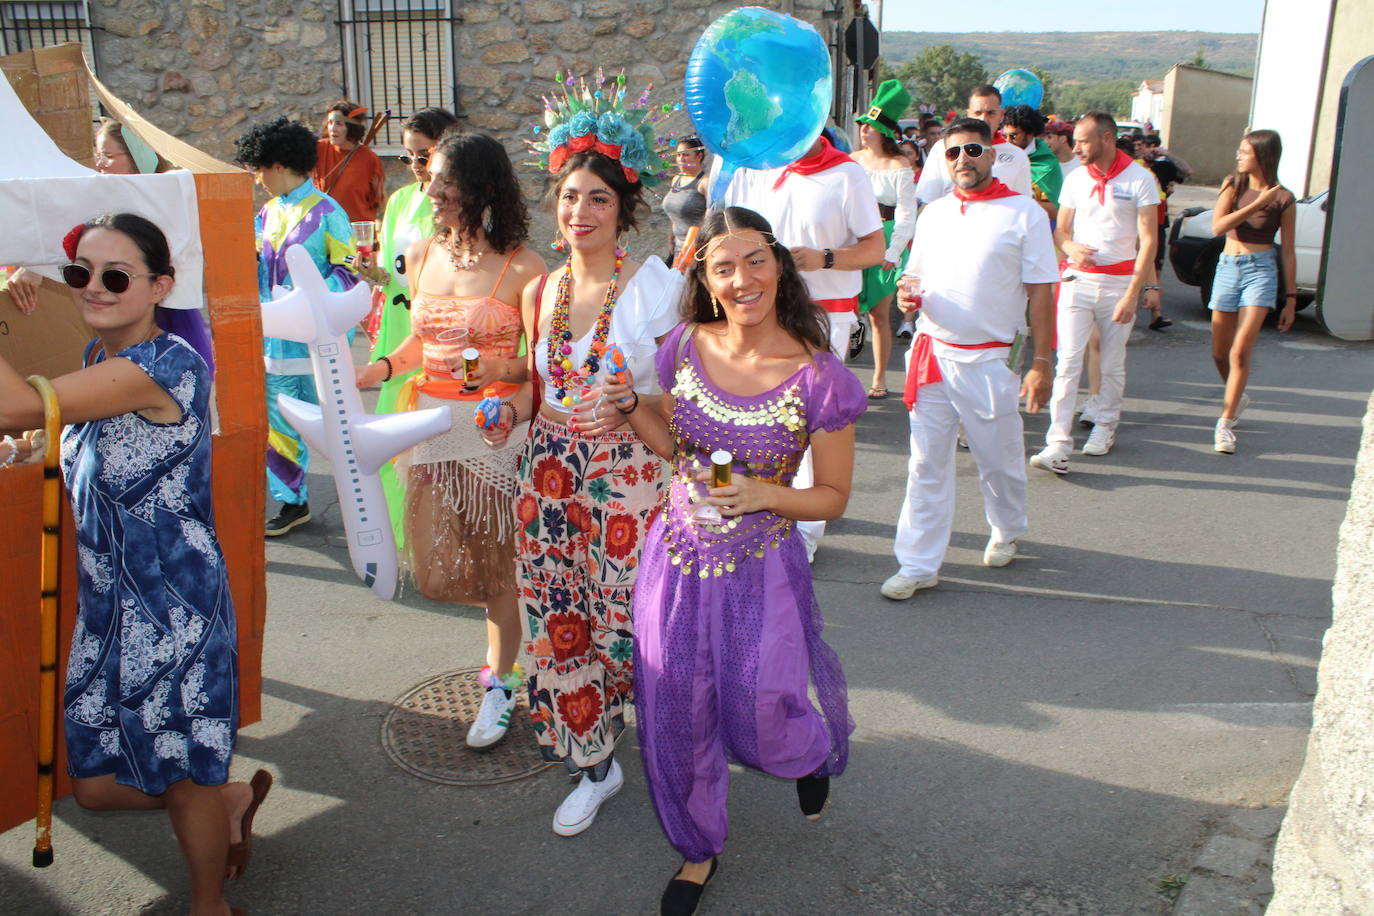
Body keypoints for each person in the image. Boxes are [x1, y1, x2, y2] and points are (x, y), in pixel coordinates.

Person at [0, 213, 271, 915]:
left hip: (175, 612)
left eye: (115, 275)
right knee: (93, 785)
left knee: (179, 777)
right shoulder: (97, 359)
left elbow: (18, 407)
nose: (93, 286)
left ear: (161, 285)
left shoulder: (167, 365)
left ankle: (209, 902)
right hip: (110, 612)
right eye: (79, 273)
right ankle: (228, 800)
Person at [601, 207, 862, 916]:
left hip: (762, 569)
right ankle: (697, 847)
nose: (742, 278)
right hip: (676, 560)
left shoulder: (819, 377)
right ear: (706, 279)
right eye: (723, 266)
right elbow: (673, 447)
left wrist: (766, 493)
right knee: (676, 707)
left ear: (778, 264)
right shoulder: (684, 347)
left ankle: (802, 752)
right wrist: (630, 405)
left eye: (754, 260)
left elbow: (834, 498)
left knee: (756, 710)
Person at [483, 88, 682, 836]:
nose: (580, 212)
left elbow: (678, 413)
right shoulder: (541, 291)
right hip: (548, 475)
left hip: (629, 481)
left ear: (623, 207)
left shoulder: (658, 289)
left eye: (598, 198)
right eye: (569, 197)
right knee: (558, 617)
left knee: (628, 625)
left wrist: (633, 405)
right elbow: (537, 392)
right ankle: (595, 761)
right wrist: (509, 412)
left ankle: (667, 743)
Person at [356, 132, 545, 747]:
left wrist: (502, 372)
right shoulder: (421, 251)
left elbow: (540, 366)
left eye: (443, 181)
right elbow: (419, 342)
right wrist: (380, 369)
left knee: (498, 571)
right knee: (436, 572)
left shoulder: (524, 267)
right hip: (431, 428)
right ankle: (526, 627)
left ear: (481, 189)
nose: (429, 190)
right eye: (429, 177)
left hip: (494, 436)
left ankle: (501, 680)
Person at [880, 119, 1058, 600]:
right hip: (933, 354)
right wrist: (905, 303)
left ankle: (1006, 527)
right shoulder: (934, 213)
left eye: (973, 150)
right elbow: (912, 279)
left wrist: (1042, 362)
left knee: (997, 462)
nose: (962, 160)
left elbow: (1042, 296)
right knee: (925, 465)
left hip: (990, 360)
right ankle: (917, 562)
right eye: (952, 152)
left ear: (993, 154)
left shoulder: (1025, 215)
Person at [717, 124, 884, 563]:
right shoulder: (755, 168)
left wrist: (824, 258)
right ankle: (756, 511)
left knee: (810, 420)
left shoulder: (847, 174)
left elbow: (874, 248)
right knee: (761, 414)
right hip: (760, 310)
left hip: (824, 311)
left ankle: (803, 536)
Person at [234, 116, 361, 536]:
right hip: (275, 345)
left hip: (318, 343)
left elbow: (348, 272)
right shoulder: (266, 214)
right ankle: (292, 502)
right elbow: (254, 270)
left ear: (276, 164)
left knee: (335, 426)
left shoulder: (329, 213)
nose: (257, 179)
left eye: (258, 169)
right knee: (281, 426)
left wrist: (307, 301)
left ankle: (362, 498)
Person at [1030, 111, 1160, 474]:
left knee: (1111, 359)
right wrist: (1069, 247)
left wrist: (1135, 292)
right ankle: (1057, 441)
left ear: (1106, 138)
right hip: (1078, 280)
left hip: (1119, 283)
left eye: (1084, 141)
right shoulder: (1074, 178)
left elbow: (1149, 240)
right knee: (1068, 360)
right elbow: (1061, 229)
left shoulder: (1140, 179)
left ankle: (1106, 423)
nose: (1077, 148)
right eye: (1075, 141)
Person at [363, 107, 459, 536]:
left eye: (424, 156)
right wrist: (371, 273)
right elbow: (391, 270)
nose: (417, 167)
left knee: (435, 443)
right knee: (390, 439)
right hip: (398, 327)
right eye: (409, 158)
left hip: (438, 333)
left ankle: (437, 538)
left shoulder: (457, 206)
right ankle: (402, 535)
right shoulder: (400, 200)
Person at [1206, 129, 1297, 454]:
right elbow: (1218, 226)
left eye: (1245, 151)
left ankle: (1225, 424)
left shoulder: (1285, 198)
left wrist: (1291, 299)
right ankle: (1237, 394)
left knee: (1240, 351)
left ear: (1263, 155)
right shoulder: (1235, 184)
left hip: (1262, 270)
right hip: (1228, 266)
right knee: (1219, 352)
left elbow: (1288, 251)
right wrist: (1257, 203)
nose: (1239, 156)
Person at [853, 79, 916, 398]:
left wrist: (893, 250)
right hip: (852, 240)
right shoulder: (851, 160)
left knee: (879, 314)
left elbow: (906, 214)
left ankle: (879, 378)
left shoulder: (899, 166)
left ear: (884, 131)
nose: (864, 130)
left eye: (871, 126)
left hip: (885, 237)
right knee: (844, 310)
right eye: (863, 124)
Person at [916, 85, 1033, 205]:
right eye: (978, 113)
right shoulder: (942, 148)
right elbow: (927, 200)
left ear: (1001, 115)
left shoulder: (1017, 156)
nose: (983, 119)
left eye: (990, 113)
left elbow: (1024, 203)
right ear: (968, 114)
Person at [311, 100, 387, 225]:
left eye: (339, 124)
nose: (333, 129)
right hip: (325, 227)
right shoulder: (318, 149)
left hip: (355, 230)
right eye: (330, 123)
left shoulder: (369, 159)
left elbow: (377, 199)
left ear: (351, 128)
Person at [1001, 104, 1063, 222]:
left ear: (1030, 133)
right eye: (1004, 136)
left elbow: (1056, 212)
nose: (1007, 142)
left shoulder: (1047, 165)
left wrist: (1017, 199)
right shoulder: (998, 157)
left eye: (1013, 136)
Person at [661, 137, 709, 264]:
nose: (681, 159)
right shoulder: (676, 179)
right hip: (677, 247)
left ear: (699, 156)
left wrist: (698, 244)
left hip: (696, 249)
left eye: (686, 155)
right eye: (678, 155)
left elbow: (710, 215)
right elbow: (672, 215)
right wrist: (670, 239)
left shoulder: (704, 182)